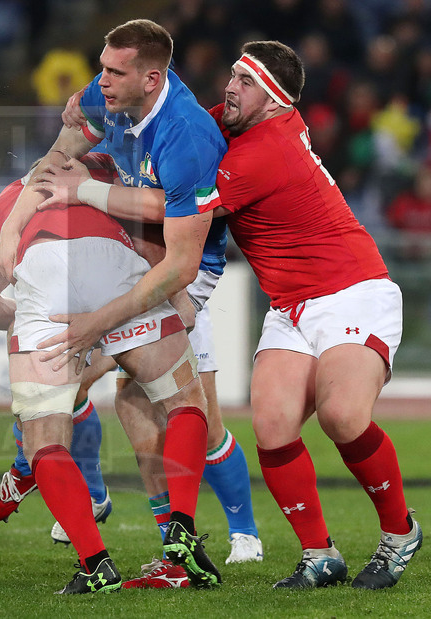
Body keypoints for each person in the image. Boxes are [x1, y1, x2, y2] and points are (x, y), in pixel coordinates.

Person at [60, 39, 422, 591]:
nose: (230, 86)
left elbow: (169, 204)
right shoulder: (232, 126)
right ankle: (319, 554)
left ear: (275, 102)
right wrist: (92, 102)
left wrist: (79, 188)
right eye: (232, 74)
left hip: (350, 289)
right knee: (272, 428)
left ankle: (400, 533)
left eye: (245, 82)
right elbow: (168, 113)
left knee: (342, 416)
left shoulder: (264, 151)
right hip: (289, 304)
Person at [0, 20, 226, 591]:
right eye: (101, 66)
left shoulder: (187, 135)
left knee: (128, 395)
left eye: (113, 71)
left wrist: (99, 322)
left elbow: (184, 264)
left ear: (152, 78)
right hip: (132, 255)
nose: (99, 80)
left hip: (181, 268)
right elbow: (57, 157)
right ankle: (177, 541)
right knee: (131, 399)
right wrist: (13, 225)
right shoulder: (106, 98)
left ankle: (169, 539)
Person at [0, 155, 119, 541]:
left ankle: (208, 541)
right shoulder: (9, 202)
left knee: (162, 408)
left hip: (124, 272)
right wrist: (28, 318)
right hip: (73, 270)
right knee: (56, 382)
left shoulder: (109, 174)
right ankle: (49, 478)